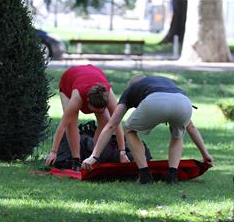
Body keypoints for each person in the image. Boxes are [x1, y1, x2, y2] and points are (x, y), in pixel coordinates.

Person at [81, 75, 214, 184]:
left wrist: (94, 156)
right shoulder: (164, 83)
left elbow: (112, 125)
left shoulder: (131, 90)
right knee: (177, 135)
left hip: (155, 101)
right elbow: (191, 127)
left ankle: (144, 175)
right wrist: (205, 154)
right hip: (184, 102)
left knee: (129, 130)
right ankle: (173, 176)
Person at [45, 65, 130, 170]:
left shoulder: (109, 96)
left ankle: (94, 155)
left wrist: (122, 152)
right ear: (88, 101)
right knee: (71, 122)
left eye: (101, 110)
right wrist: (54, 152)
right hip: (69, 79)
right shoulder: (77, 98)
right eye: (94, 110)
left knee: (107, 120)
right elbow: (63, 125)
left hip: (92, 73)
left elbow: (116, 125)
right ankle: (76, 160)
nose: (96, 113)